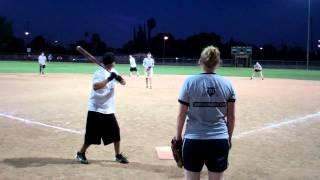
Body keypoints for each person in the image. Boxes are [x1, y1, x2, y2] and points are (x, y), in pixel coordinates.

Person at [176, 46, 236, 180]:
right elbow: (231, 117)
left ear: (200, 61)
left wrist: (178, 137)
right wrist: (229, 138)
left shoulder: (189, 82)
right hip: (219, 139)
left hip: (193, 139)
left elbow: (181, 115)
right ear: (218, 62)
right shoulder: (227, 84)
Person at [76, 52, 129, 164]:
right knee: (91, 136)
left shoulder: (114, 71)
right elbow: (96, 87)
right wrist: (109, 80)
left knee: (116, 133)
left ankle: (118, 155)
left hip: (108, 109)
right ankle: (81, 153)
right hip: (96, 108)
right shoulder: (99, 73)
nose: (115, 62)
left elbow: (124, 83)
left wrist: (119, 78)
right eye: (114, 61)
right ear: (111, 62)